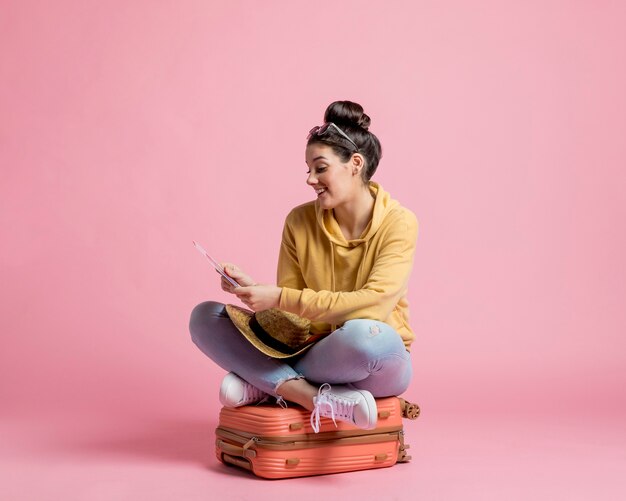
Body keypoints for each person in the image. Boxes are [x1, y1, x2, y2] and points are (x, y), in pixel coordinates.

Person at [189, 100, 419, 433]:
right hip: (311, 351)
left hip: (375, 360)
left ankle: (269, 384)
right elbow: (294, 319)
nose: (310, 179)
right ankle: (310, 396)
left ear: (355, 164)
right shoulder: (299, 221)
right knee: (205, 316)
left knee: (366, 336)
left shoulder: (399, 222)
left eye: (320, 167)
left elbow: (374, 304)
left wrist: (278, 296)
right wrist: (256, 293)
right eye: (308, 169)